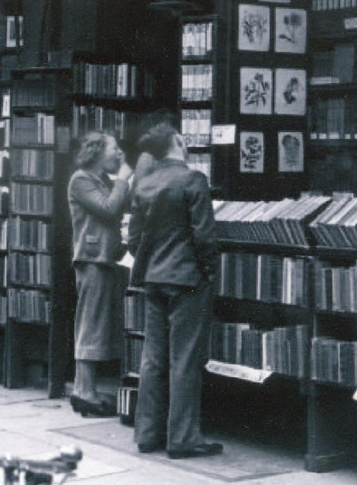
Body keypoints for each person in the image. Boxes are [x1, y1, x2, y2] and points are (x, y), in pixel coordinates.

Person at [128, 116, 221, 459]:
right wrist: (208, 272)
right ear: (179, 142)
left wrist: (152, 262)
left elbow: (134, 239)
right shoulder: (193, 179)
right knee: (184, 359)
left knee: (153, 357)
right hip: (187, 280)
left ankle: (147, 434)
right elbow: (205, 236)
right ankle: (182, 438)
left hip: (153, 279)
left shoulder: (143, 184)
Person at [67, 131, 133, 417]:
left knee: (97, 324)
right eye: (114, 148)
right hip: (93, 259)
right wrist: (123, 178)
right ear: (96, 151)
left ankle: (87, 391)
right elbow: (109, 208)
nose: (119, 153)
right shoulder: (81, 179)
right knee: (90, 325)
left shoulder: (100, 180)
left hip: (106, 258)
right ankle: (83, 391)